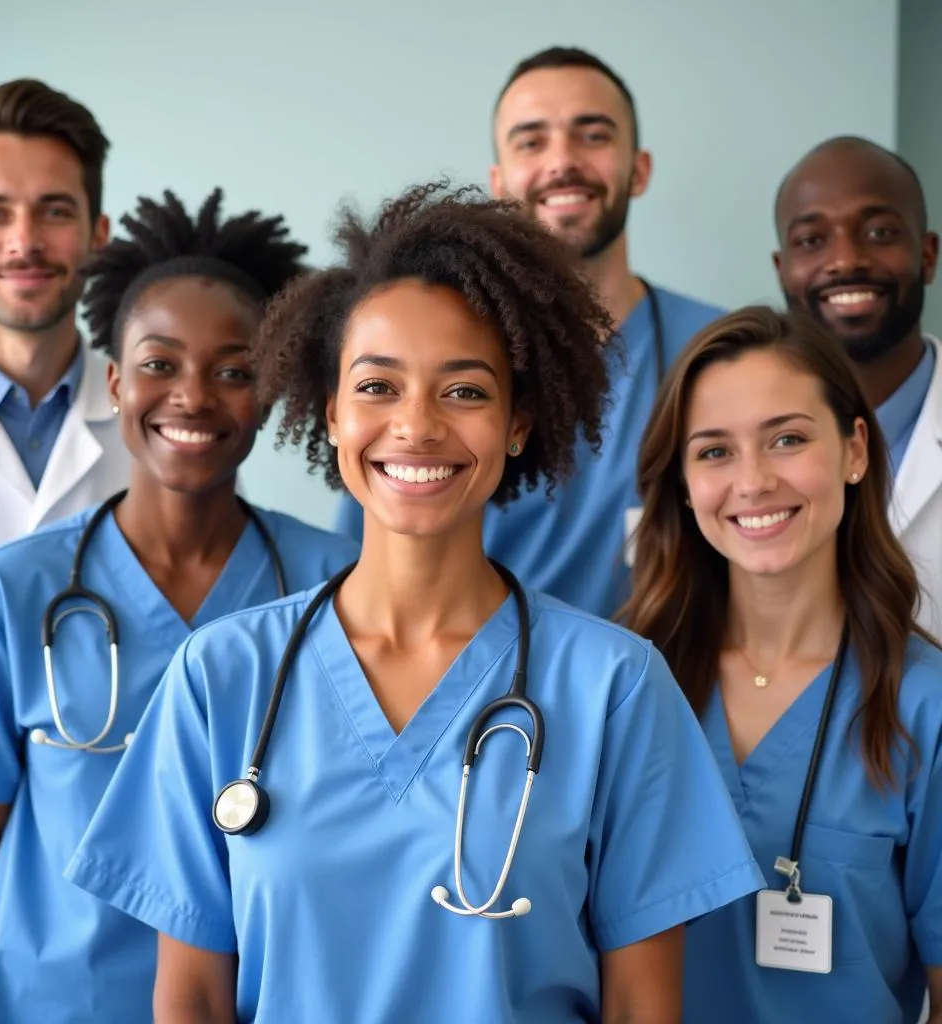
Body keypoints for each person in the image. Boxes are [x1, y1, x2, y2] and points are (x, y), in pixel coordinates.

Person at [66, 183, 762, 1024]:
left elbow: (644, 1010)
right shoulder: (222, 677)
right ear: (330, 413)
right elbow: (191, 1000)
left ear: (517, 421)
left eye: (464, 390)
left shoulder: (614, 688)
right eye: (378, 387)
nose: (417, 426)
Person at [0, 188, 358, 1024]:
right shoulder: (13, 590)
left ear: (267, 393)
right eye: (159, 364)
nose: (192, 395)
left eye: (234, 370)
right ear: (115, 381)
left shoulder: (332, 583)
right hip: (49, 1001)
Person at [621, 307, 942, 1024]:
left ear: (855, 449)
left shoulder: (925, 706)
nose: (754, 481)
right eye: (714, 452)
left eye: (787, 439)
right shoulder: (625, 687)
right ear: (679, 481)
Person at [332, 47, 723, 619]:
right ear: (499, 181)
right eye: (531, 141)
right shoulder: (434, 354)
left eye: (592, 136)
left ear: (638, 169)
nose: (562, 162)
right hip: (475, 684)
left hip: (662, 681)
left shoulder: (713, 349)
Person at [0, 78, 127, 1024]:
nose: (24, 242)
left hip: (110, 933)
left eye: (54, 211)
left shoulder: (164, 432)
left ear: (98, 233)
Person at [774, 136, 941, 637]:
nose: (846, 260)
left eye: (880, 231)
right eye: (811, 239)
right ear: (782, 270)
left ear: (928, 254)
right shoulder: (736, 437)